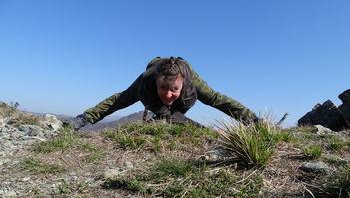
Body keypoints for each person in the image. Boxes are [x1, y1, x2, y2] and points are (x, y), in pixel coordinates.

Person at [71, 57, 259, 130]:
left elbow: (219, 100)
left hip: (186, 93)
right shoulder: (146, 84)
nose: (168, 94)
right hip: (151, 95)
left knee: (209, 99)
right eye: (163, 88)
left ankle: (166, 121)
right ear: (156, 82)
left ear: (182, 83)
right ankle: (162, 122)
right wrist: (84, 119)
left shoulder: (191, 83)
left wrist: (254, 120)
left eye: (174, 89)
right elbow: (117, 101)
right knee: (163, 115)